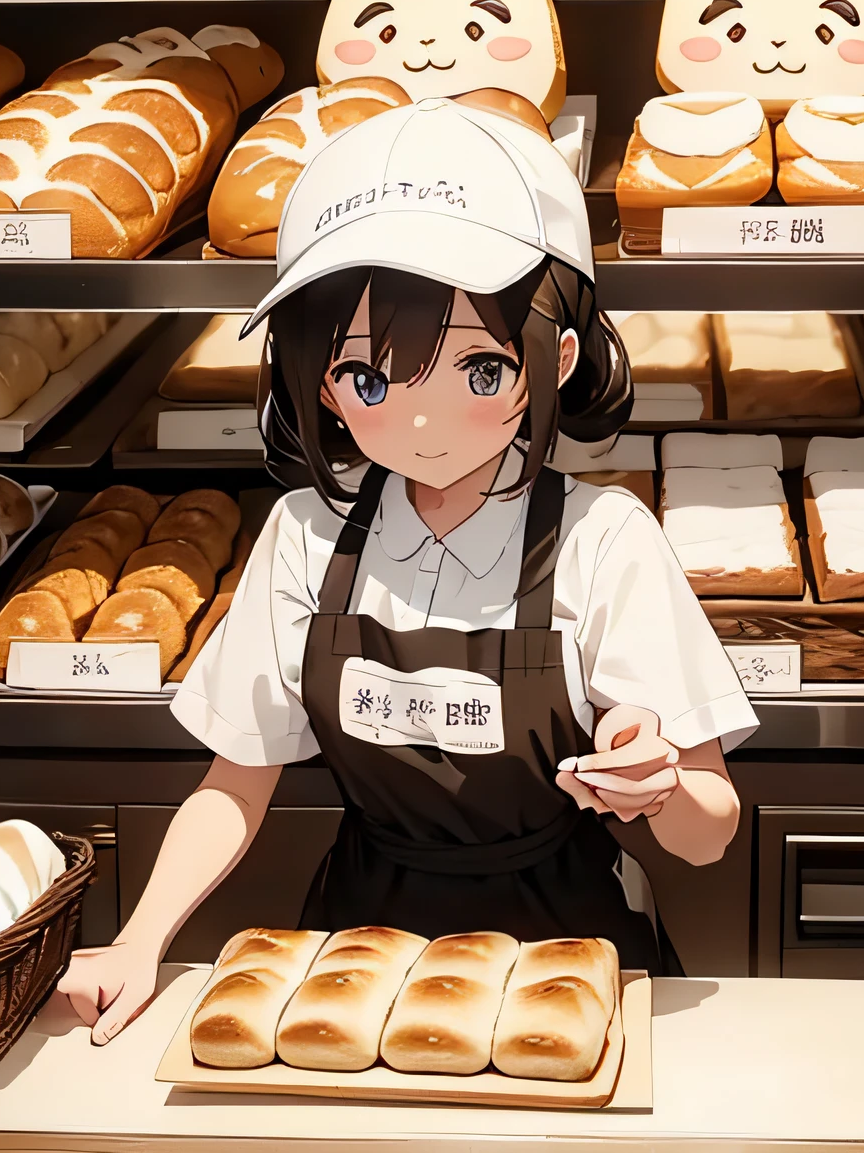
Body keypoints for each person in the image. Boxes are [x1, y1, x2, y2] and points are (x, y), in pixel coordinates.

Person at [60, 96, 757, 1042]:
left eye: (478, 371)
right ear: (320, 385)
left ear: (556, 357)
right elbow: (236, 781)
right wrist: (138, 941)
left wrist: (661, 783)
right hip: (358, 957)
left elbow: (711, 832)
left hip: (571, 959)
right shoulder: (306, 537)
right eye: (374, 379)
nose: (422, 420)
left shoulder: (604, 538)